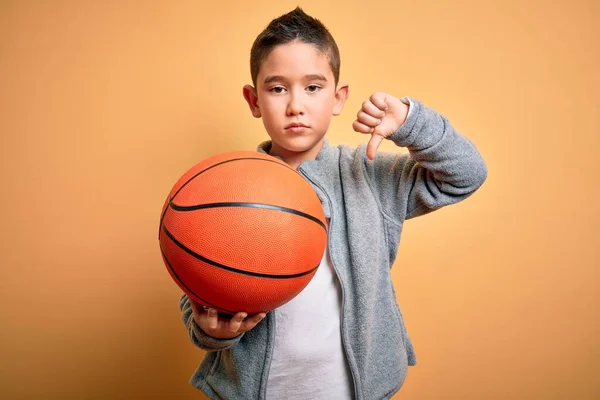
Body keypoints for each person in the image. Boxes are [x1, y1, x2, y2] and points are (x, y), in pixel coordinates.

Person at [178, 7, 487, 399]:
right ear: (253, 100)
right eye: (277, 88)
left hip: (353, 391)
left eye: (313, 87)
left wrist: (412, 122)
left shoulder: (370, 176)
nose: (295, 105)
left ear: (338, 97)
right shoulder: (226, 190)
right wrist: (211, 331)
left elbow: (467, 174)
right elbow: (198, 282)